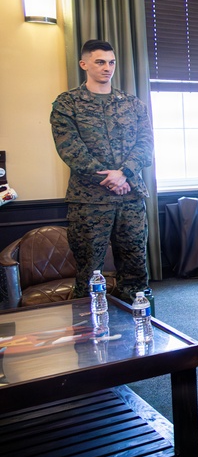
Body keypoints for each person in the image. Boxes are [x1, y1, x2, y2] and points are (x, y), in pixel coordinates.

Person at [50, 40, 154, 303]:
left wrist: (124, 173)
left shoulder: (132, 104)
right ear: (84, 64)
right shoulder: (67, 103)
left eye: (111, 62)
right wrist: (111, 179)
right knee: (89, 271)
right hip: (89, 201)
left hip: (130, 196)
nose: (107, 68)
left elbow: (146, 145)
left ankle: (138, 321)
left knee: (135, 269)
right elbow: (70, 149)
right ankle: (88, 325)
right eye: (100, 62)